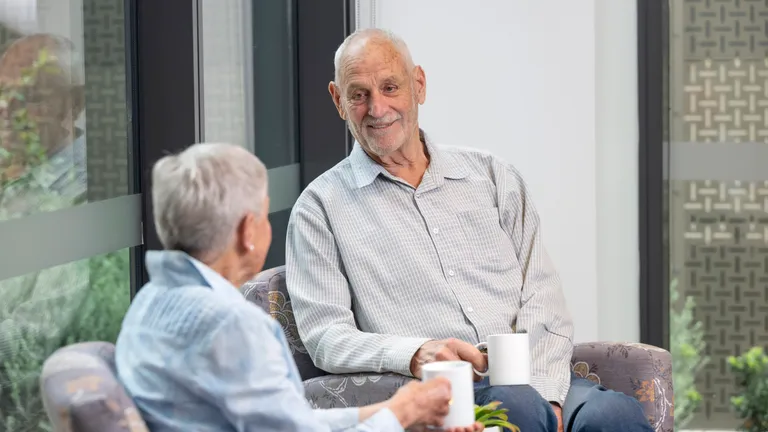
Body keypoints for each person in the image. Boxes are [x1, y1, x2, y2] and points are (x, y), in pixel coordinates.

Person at [285, 28, 654, 432]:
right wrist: (415, 352)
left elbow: (543, 296)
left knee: (615, 415)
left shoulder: (493, 176)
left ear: (419, 85)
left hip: (537, 378)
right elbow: (325, 336)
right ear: (339, 101)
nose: (378, 107)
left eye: (391, 87)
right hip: (442, 392)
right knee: (517, 407)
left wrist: (548, 396)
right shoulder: (319, 208)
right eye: (359, 94)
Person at [115, 143, 483, 432]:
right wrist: (400, 415)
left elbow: (284, 422)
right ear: (247, 231)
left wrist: (395, 412)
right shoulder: (232, 324)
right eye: (264, 213)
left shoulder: (149, 303)